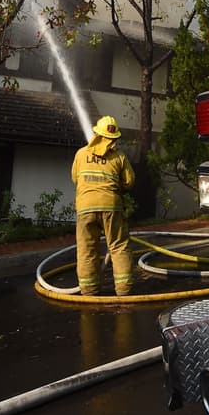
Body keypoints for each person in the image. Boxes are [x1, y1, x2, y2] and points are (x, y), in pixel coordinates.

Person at [71, 116, 136, 296]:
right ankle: (124, 290)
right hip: (112, 207)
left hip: (85, 208)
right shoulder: (119, 157)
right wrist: (117, 187)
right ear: (113, 138)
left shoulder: (80, 154)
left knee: (87, 249)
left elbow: (75, 179)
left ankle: (89, 290)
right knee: (118, 246)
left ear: (96, 134)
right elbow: (130, 181)